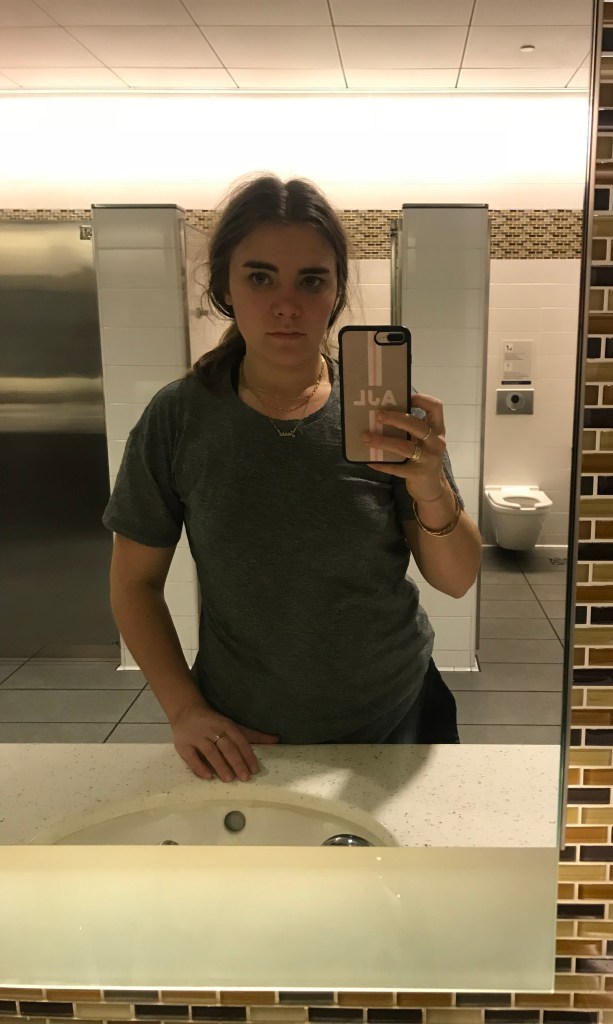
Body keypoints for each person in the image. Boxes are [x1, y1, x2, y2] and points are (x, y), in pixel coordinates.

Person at [103, 173, 482, 783]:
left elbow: (457, 579)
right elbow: (134, 584)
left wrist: (430, 485)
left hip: (400, 714)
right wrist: (184, 710)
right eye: (260, 278)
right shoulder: (178, 418)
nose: (287, 305)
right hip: (246, 735)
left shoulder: (379, 412)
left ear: (337, 291)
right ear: (224, 287)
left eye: (312, 280)